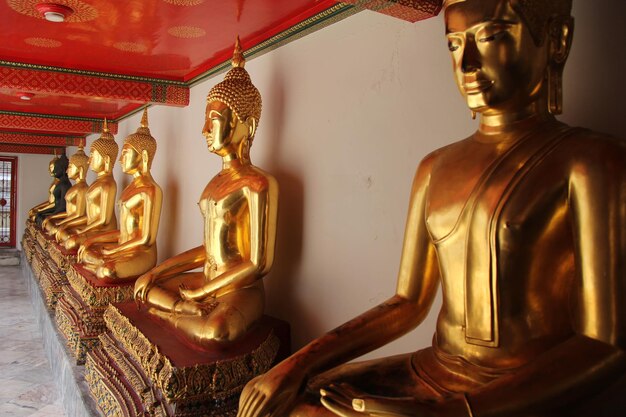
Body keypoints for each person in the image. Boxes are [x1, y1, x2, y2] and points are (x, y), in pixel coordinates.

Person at [237, 0, 626, 416]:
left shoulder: (589, 160)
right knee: (288, 403)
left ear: (557, 40)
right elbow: (407, 301)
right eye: (454, 45)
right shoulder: (435, 167)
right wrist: (295, 366)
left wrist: (458, 411)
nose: (468, 64)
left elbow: (605, 343)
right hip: (432, 369)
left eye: (491, 37)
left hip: (513, 392)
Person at [133, 39, 279, 346]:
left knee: (217, 331)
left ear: (247, 127)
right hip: (207, 278)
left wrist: (203, 293)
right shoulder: (213, 182)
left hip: (241, 291)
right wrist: (156, 273)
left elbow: (257, 264)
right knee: (145, 287)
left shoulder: (258, 184)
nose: (204, 130)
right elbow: (207, 248)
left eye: (213, 121)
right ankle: (183, 310)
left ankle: (171, 315)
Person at [77, 110, 162, 282]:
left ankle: (102, 264)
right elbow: (123, 232)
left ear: (143, 156)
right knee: (86, 252)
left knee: (107, 271)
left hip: (141, 253)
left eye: (125, 154)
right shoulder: (130, 188)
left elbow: (145, 239)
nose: (121, 160)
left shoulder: (151, 190)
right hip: (123, 247)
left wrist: (113, 251)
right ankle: (99, 262)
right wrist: (90, 242)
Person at [55, 120, 118, 251]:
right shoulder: (96, 183)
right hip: (91, 228)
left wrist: (82, 232)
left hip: (103, 231)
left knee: (70, 241)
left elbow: (104, 221)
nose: (89, 161)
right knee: (63, 233)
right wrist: (68, 226)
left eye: (92, 156)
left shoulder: (108, 184)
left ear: (106, 160)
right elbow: (87, 216)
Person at [41, 146, 89, 237]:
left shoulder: (83, 188)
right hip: (69, 221)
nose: (67, 171)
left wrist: (63, 225)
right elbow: (68, 212)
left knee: (67, 238)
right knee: (49, 223)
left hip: (77, 225)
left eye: (70, 167)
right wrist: (52, 218)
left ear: (80, 169)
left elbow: (80, 215)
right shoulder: (74, 187)